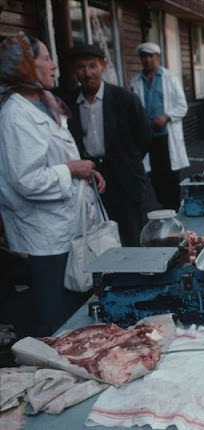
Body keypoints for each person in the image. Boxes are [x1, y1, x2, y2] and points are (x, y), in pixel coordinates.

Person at [0, 33, 106, 336]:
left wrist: (84, 171)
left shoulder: (46, 103)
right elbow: (27, 180)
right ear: (22, 66)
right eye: (45, 58)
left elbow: (58, 157)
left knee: (80, 306)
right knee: (58, 317)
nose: (53, 65)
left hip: (71, 226)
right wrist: (72, 170)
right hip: (47, 236)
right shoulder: (15, 114)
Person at [64, 43, 151, 246]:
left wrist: (128, 160)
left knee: (132, 234)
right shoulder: (68, 102)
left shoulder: (125, 99)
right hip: (90, 175)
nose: (87, 73)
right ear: (74, 70)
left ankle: (138, 275)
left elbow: (144, 137)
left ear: (103, 65)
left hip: (124, 176)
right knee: (96, 236)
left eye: (92, 66)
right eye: (81, 67)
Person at [130, 42, 188, 211]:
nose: (147, 60)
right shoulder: (135, 81)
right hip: (147, 135)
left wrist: (166, 116)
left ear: (158, 57)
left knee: (170, 174)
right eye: (143, 57)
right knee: (154, 176)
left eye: (151, 56)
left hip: (166, 135)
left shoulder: (170, 78)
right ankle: (164, 206)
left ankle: (174, 208)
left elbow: (182, 106)